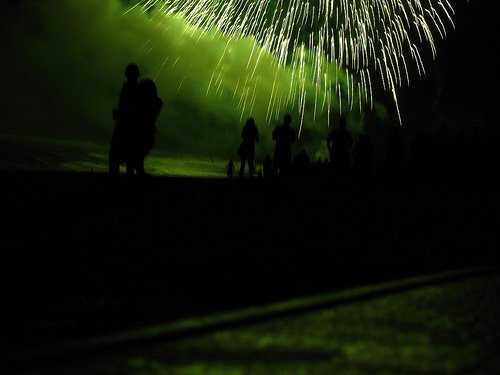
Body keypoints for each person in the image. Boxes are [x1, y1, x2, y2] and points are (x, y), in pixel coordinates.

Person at [109, 63, 141, 175]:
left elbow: (129, 107)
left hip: (125, 127)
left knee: (115, 158)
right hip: (130, 128)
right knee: (130, 160)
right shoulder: (134, 88)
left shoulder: (130, 88)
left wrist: (119, 113)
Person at [130, 78, 163, 176]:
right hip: (147, 131)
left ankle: (138, 171)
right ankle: (139, 171)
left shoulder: (142, 103)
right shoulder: (156, 102)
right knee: (139, 155)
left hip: (142, 131)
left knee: (136, 154)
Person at [272, 114, 295, 179]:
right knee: (285, 169)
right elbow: (292, 141)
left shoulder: (278, 129)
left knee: (276, 167)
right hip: (286, 151)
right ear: (290, 121)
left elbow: (273, 137)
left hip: (279, 149)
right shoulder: (291, 131)